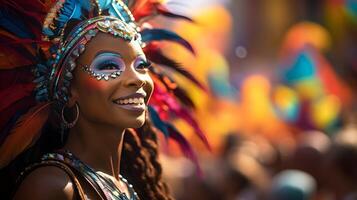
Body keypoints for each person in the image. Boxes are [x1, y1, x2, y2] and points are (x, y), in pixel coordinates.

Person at [0, 0, 207, 199]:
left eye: (141, 65)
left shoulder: (129, 187)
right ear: (70, 91)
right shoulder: (52, 186)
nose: (136, 79)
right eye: (109, 66)